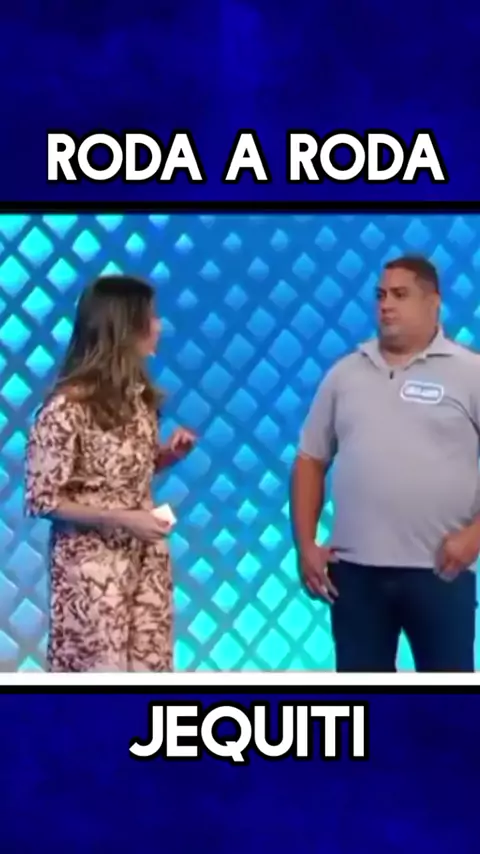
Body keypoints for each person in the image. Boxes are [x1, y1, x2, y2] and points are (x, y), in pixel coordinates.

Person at [291, 255, 480, 672]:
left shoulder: (471, 373)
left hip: (441, 572)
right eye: (380, 296)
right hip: (355, 576)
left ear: (433, 302)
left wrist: (474, 536)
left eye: (399, 295)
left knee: (448, 703)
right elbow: (310, 459)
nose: (386, 305)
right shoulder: (344, 375)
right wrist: (306, 545)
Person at [24, 275, 196, 672]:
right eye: (151, 317)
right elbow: (43, 498)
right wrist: (122, 519)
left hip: (145, 559)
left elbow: (118, 476)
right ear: (124, 328)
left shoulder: (140, 401)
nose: (159, 326)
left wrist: (167, 456)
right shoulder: (66, 409)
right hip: (92, 572)